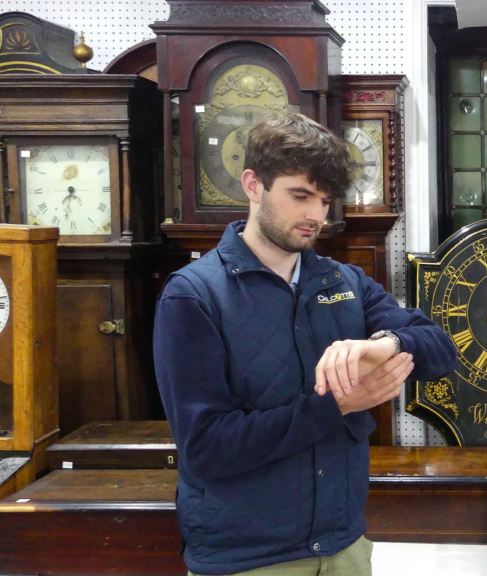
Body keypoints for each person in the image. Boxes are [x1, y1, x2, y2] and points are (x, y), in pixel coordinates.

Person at [153, 113, 457, 576]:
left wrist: (385, 343)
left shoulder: (344, 280)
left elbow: (440, 348)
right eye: (300, 195)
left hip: (344, 550)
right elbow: (207, 447)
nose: (315, 215)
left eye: (324, 200)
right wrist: (336, 404)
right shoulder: (193, 296)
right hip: (249, 561)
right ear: (253, 184)